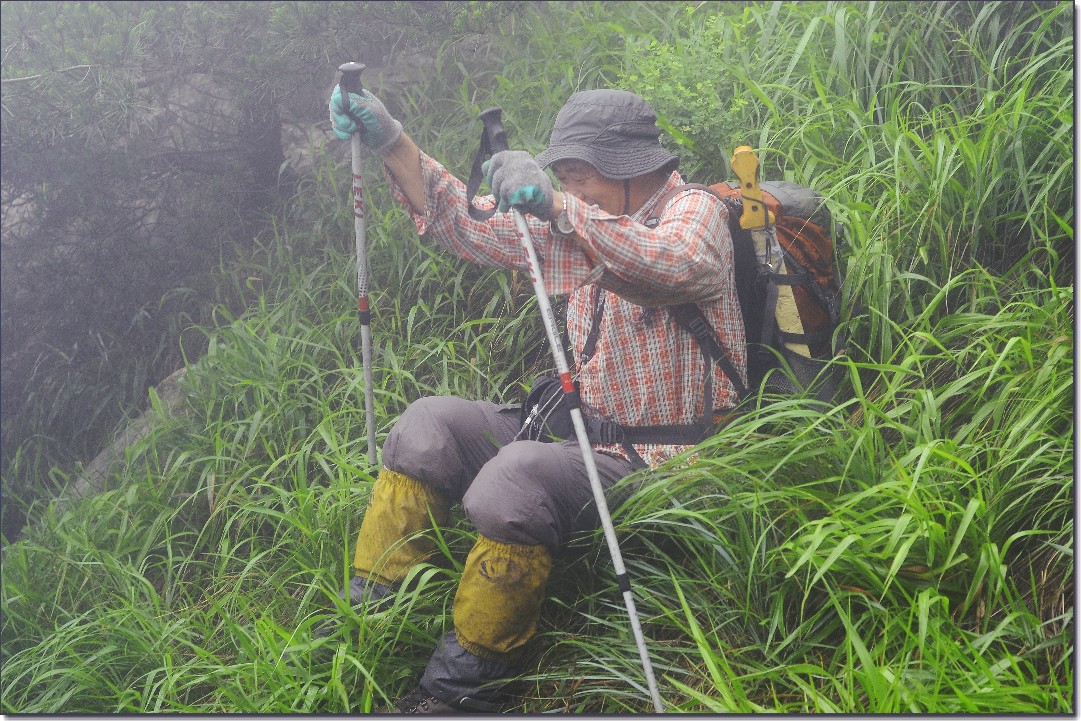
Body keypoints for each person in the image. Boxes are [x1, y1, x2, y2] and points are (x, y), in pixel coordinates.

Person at [326, 84, 746, 713]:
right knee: (426, 427)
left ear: (632, 171)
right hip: (577, 432)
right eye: (565, 180)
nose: (572, 193)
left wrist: (558, 205)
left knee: (513, 480)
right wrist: (393, 141)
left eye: (582, 179)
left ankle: (460, 691)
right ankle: (371, 618)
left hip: (663, 460)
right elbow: (471, 221)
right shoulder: (578, 223)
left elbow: (668, 264)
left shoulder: (692, 214)